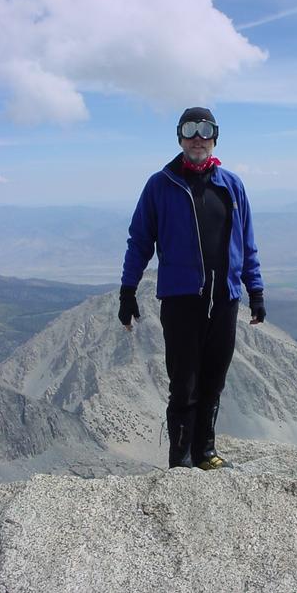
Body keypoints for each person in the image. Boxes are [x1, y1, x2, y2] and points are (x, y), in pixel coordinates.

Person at [118, 107, 266, 470]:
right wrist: (128, 290)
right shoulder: (161, 185)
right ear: (179, 138)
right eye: (189, 130)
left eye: (205, 130)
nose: (197, 138)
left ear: (215, 137)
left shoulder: (231, 186)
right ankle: (181, 460)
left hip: (224, 299)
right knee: (184, 383)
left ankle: (205, 453)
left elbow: (246, 242)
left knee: (214, 380)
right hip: (181, 301)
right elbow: (140, 241)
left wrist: (255, 290)